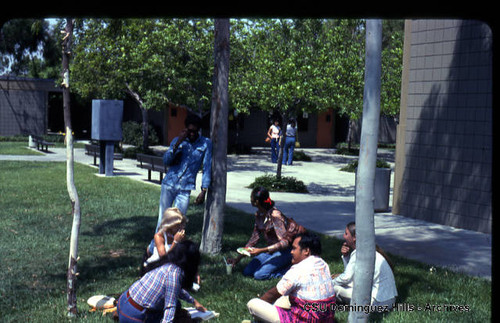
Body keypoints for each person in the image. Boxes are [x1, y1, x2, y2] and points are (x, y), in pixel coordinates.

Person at [151, 114, 212, 251]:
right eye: (189, 131)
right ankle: (155, 249)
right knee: (163, 218)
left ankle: (173, 251)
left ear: (199, 130)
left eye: (194, 131)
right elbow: (166, 161)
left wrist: (204, 190)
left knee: (179, 222)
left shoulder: (205, 143)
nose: (191, 134)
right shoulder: (178, 140)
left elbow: (207, 167)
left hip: (185, 188)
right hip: (169, 184)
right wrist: (178, 143)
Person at [246, 232, 336, 323]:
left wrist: (261, 303)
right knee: (284, 298)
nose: (291, 252)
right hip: (327, 318)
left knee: (253, 303)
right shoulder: (323, 264)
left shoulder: (298, 269)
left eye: (294, 248)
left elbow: (273, 294)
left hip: (305, 319)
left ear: (306, 251)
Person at [117, 240, 206, 323]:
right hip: (135, 316)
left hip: (123, 303)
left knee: (178, 305)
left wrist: (194, 302)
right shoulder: (174, 274)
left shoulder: (167, 265)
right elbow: (170, 307)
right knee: (178, 312)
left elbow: (174, 289)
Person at [227, 187, 292, 280]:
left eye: (251, 197)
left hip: (285, 252)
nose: (250, 198)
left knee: (259, 275)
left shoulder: (275, 216)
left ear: (257, 201)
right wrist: (237, 259)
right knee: (247, 272)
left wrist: (261, 250)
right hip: (270, 252)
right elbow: (254, 238)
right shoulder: (259, 215)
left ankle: (290, 269)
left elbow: (285, 243)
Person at [332, 222, 398, 309]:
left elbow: (346, 278)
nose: (344, 236)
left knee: (335, 288)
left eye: (346, 233)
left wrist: (328, 284)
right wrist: (346, 257)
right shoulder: (368, 250)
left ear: (355, 237)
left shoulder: (359, 253)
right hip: (389, 300)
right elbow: (351, 277)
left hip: (378, 303)